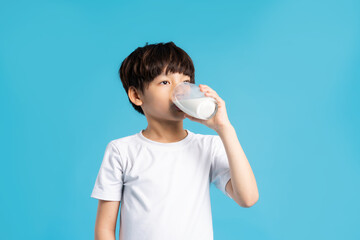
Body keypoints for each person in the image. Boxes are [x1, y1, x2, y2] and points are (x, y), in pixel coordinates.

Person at [91, 41, 259, 240]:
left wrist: (225, 128)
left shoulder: (208, 146)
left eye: (185, 82)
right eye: (165, 82)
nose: (179, 90)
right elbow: (104, 229)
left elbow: (248, 198)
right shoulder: (121, 150)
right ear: (136, 95)